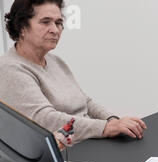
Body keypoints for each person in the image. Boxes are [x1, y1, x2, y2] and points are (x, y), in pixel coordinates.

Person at [0, 0, 146, 144]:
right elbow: (45, 120)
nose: (55, 30)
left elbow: (85, 101)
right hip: (68, 153)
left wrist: (113, 120)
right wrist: (105, 127)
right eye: (45, 22)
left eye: (58, 23)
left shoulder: (55, 61)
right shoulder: (10, 68)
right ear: (21, 27)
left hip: (89, 140)